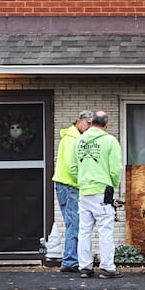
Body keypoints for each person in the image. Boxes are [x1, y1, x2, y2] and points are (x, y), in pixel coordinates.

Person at [69, 110, 123, 279]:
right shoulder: (110, 141)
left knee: (84, 231)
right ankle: (107, 267)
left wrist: (82, 182)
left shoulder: (79, 141)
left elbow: (72, 168)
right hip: (102, 191)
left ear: (91, 123)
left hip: (84, 192)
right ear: (106, 125)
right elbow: (116, 169)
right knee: (105, 230)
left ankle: (85, 266)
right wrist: (112, 184)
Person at [52, 110, 93, 273]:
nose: (90, 127)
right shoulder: (72, 140)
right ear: (80, 121)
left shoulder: (72, 137)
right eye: (88, 123)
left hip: (65, 185)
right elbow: (73, 166)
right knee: (74, 224)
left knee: (73, 223)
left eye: (92, 124)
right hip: (69, 185)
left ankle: (71, 259)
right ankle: (70, 261)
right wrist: (83, 183)